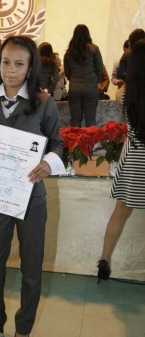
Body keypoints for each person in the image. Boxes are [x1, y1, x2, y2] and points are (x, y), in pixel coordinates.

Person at [0, 36, 63, 337]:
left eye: (19, 64)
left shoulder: (43, 103)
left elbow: (58, 143)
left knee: (32, 267)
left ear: (30, 67)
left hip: (31, 198)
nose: (11, 70)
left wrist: (47, 163)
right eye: (5, 63)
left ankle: (23, 329)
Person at [97, 39, 145, 283]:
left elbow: (118, 94)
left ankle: (104, 261)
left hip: (134, 157)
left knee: (120, 212)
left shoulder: (125, 94)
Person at [64, 24, 103, 127]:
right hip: (90, 88)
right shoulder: (94, 49)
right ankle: (90, 143)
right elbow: (99, 69)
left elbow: (67, 72)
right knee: (90, 120)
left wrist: (73, 80)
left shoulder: (69, 52)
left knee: (75, 120)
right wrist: (97, 81)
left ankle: (74, 143)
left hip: (74, 88)